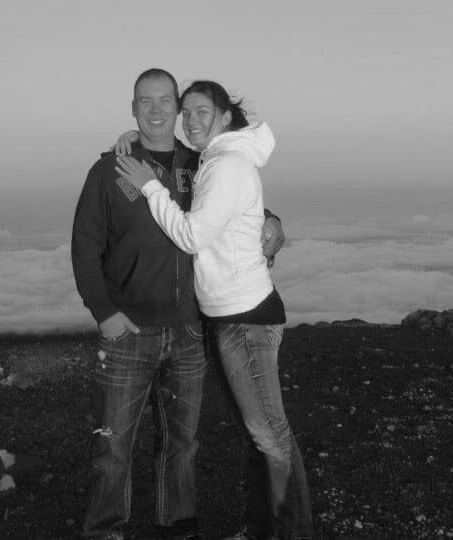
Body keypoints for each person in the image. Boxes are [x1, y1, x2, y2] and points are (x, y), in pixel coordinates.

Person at [71, 69, 285, 540]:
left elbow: (232, 205)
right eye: (144, 102)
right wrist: (105, 313)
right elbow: (85, 247)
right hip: (128, 330)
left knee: (182, 443)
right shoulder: (110, 169)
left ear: (177, 107)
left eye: (165, 100)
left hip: (189, 329)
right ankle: (105, 530)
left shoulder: (201, 160)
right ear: (132, 109)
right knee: (112, 447)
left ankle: (178, 528)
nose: (155, 110)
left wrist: (272, 221)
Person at [115, 80, 313, 540]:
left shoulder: (225, 163)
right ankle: (264, 529)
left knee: (271, 437)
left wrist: (149, 188)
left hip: (245, 320)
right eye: (186, 112)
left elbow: (191, 236)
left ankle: (292, 532)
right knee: (257, 436)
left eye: (201, 111)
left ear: (225, 118)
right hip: (231, 316)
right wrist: (129, 139)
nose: (190, 119)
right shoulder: (215, 159)